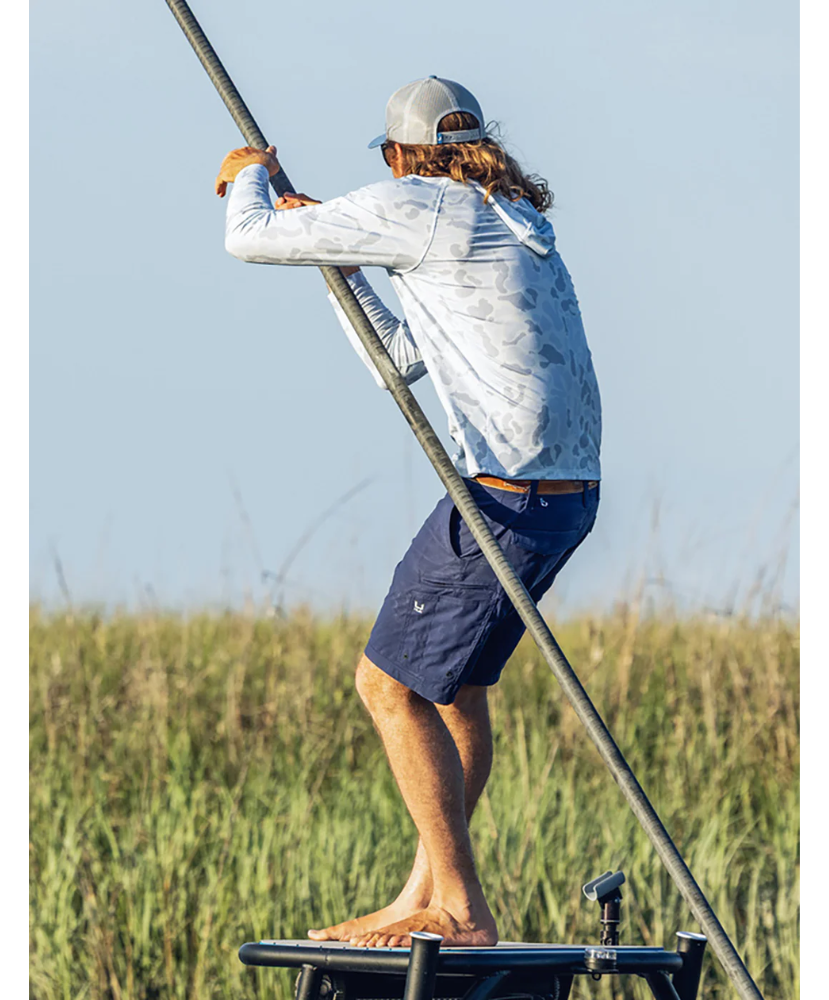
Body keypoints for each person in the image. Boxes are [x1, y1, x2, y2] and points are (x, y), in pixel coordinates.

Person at [215, 76, 602, 948]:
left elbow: (250, 237)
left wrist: (248, 171)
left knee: (385, 685)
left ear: (398, 156)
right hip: (560, 494)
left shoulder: (414, 203)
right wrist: (342, 261)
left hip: (503, 490)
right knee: (455, 690)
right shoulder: (515, 220)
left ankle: (460, 912)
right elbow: (400, 359)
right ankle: (420, 896)